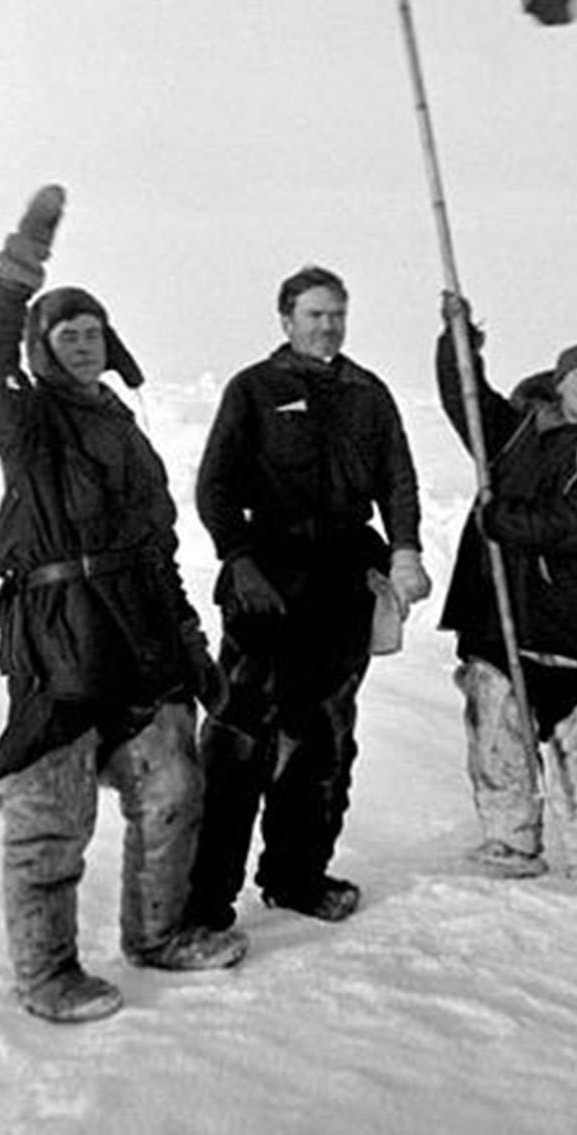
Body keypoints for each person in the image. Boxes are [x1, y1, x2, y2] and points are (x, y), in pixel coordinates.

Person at [0, 186, 247, 1024]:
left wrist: (189, 642)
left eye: (92, 333)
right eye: (65, 334)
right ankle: (46, 975)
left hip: (141, 633)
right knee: (53, 811)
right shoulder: (29, 421)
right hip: (59, 639)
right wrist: (19, 268)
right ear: (42, 350)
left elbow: (158, 547)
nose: (82, 343)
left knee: (175, 784)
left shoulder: (125, 427)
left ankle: (158, 933)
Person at [184, 266, 430, 928]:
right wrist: (239, 559)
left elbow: (397, 480)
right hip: (267, 585)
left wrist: (404, 549)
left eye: (337, 314)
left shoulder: (367, 394)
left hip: (344, 586)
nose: (328, 325)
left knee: (323, 740)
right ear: (286, 319)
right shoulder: (255, 389)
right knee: (240, 740)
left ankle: (296, 875)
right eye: (315, 314)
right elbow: (214, 487)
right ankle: (202, 899)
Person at [435, 294, 577, 897]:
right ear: (558, 381)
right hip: (499, 603)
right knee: (497, 723)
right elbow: (465, 401)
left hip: (571, 614)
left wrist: (506, 520)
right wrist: (458, 341)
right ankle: (511, 841)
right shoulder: (516, 431)